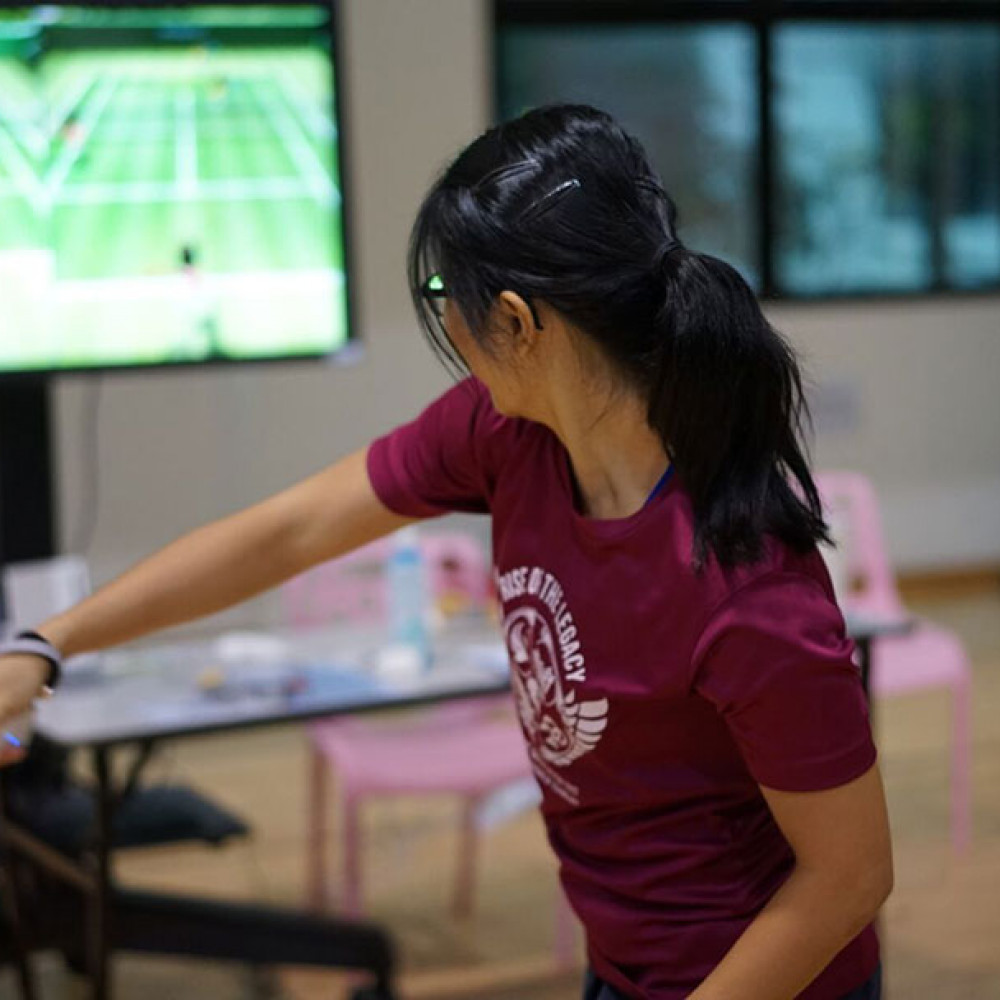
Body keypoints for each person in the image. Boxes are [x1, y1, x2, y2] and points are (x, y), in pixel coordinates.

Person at [0, 105, 891, 999]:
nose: (448, 328)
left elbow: (849, 878)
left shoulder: (746, 586)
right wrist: (48, 642)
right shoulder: (507, 434)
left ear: (516, 319)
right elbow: (290, 530)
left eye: (445, 299)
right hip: (622, 960)